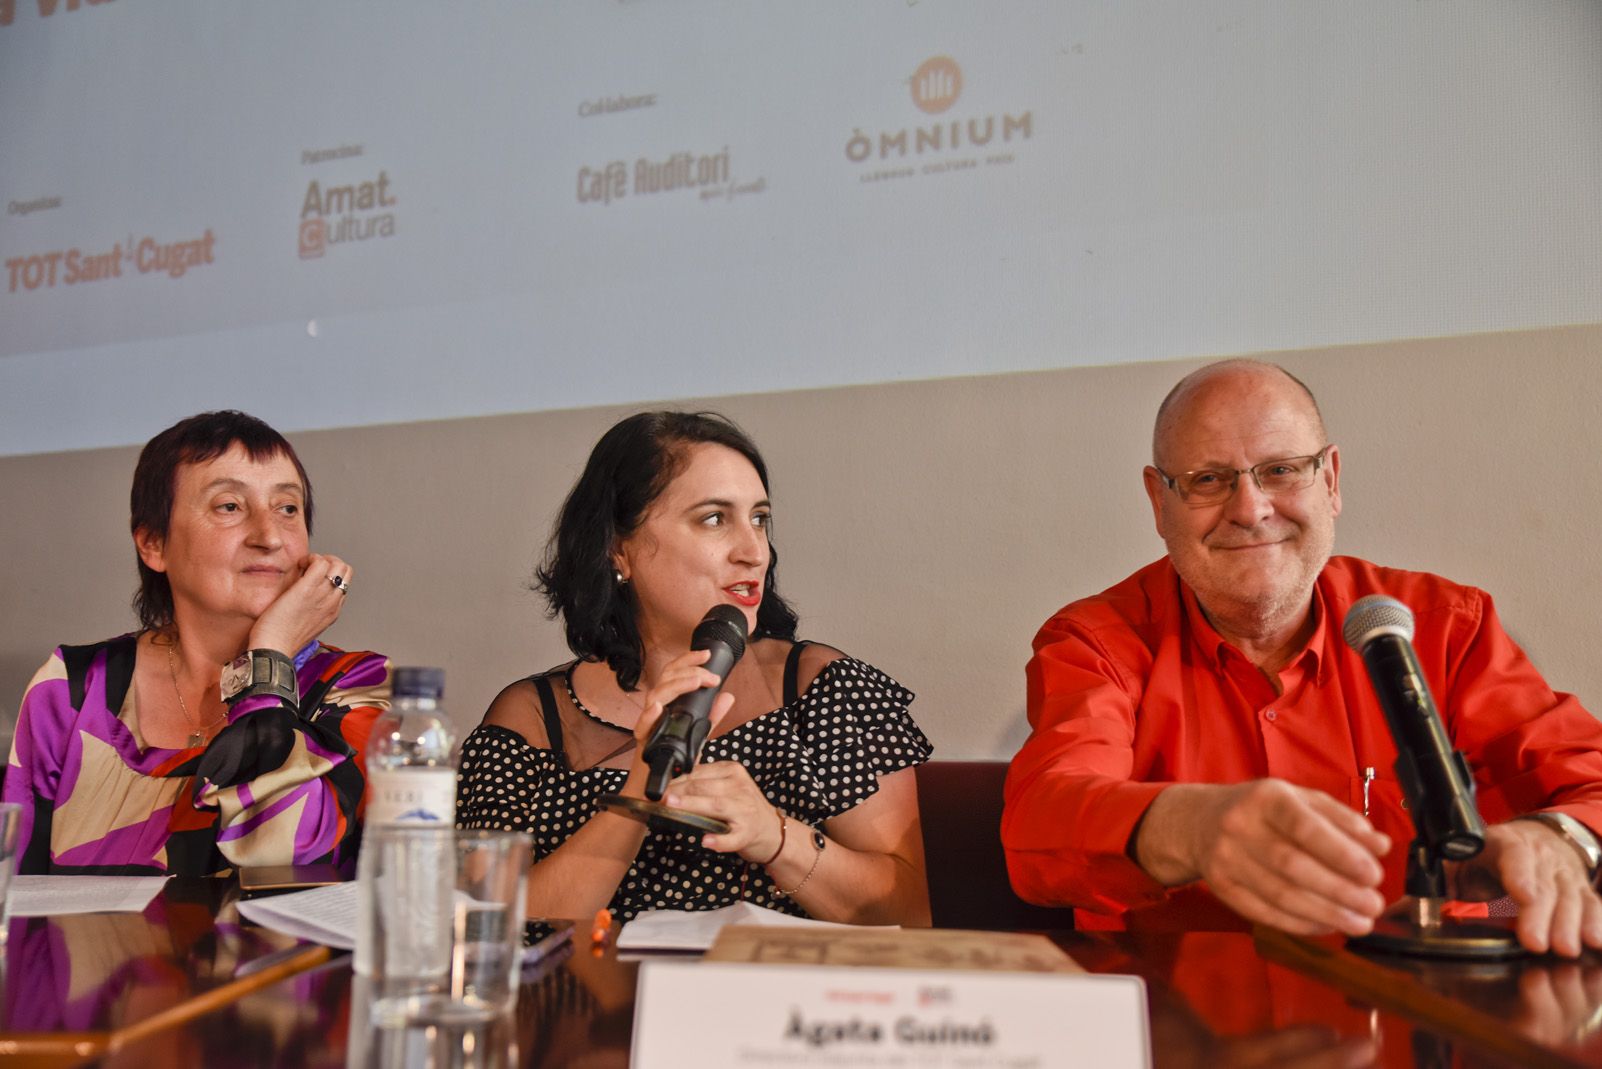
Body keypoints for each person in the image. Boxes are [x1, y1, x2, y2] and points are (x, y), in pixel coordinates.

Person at [1003, 359, 1602, 957]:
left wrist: (1557, 842)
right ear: (1159, 502)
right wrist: (1193, 826)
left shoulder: (1445, 628)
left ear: (1332, 480)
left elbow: (1589, 783)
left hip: (1423, 1008)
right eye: (1209, 480)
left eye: (1281, 471)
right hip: (1183, 1025)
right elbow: (1040, 827)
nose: (1251, 508)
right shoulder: (1096, 643)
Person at [457, 411, 932, 924]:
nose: (755, 552)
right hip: (591, 1003)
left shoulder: (819, 688)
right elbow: (490, 926)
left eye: (760, 519)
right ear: (618, 548)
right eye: (714, 519)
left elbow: (908, 912)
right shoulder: (532, 718)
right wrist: (643, 783)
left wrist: (774, 836)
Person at [5, 411, 390, 875]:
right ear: (154, 544)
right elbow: (14, 893)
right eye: (229, 506)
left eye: (287, 509)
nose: (269, 537)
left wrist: (269, 655)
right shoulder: (71, 687)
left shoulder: (362, 688)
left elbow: (279, 855)